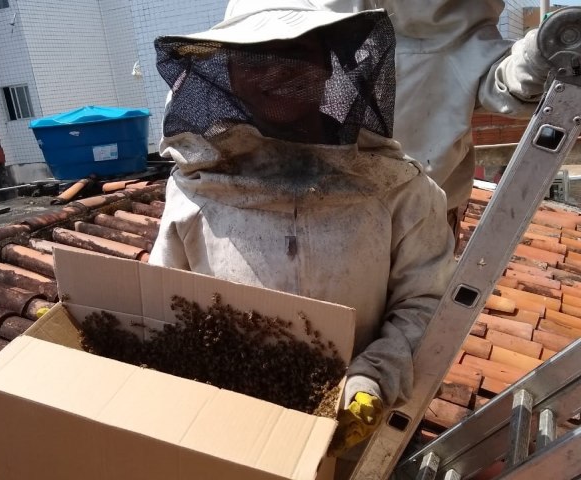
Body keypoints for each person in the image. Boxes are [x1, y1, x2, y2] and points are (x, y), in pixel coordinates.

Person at [150, 0, 456, 477]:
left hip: (362, 438)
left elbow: (427, 303)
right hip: (232, 429)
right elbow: (161, 299)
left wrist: (373, 378)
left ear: (325, 61)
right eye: (254, 56)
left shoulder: (399, 188)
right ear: (227, 69)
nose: (276, 70)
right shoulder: (195, 184)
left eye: (296, 49)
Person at [316, 0, 551, 236]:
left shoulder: (458, 20)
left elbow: (498, 78)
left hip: (423, 209)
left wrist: (534, 61)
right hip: (325, 204)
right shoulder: (324, 22)